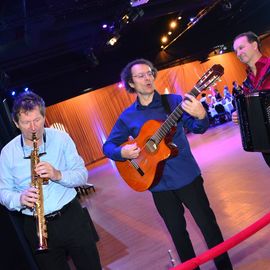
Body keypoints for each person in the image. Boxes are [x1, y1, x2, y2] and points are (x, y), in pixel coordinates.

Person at [103, 58, 233, 270]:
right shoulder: (127, 117)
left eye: (149, 73)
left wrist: (201, 116)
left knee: (209, 227)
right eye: (140, 75)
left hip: (187, 177)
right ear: (131, 84)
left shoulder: (173, 102)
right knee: (178, 235)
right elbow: (108, 146)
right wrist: (122, 151)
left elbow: (197, 127)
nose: (147, 78)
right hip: (157, 185)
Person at [0, 91, 102, 270]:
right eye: (26, 122)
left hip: (71, 217)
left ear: (44, 116)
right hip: (35, 225)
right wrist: (20, 199)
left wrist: (58, 175)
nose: (33, 128)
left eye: (37, 120)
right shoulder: (8, 153)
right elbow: (3, 192)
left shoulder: (61, 138)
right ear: (16, 123)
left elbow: (81, 175)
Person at [232, 31, 270, 167]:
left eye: (241, 48)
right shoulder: (247, 82)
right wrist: (240, 115)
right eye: (235, 51)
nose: (238, 53)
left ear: (254, 45)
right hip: (266, 144)